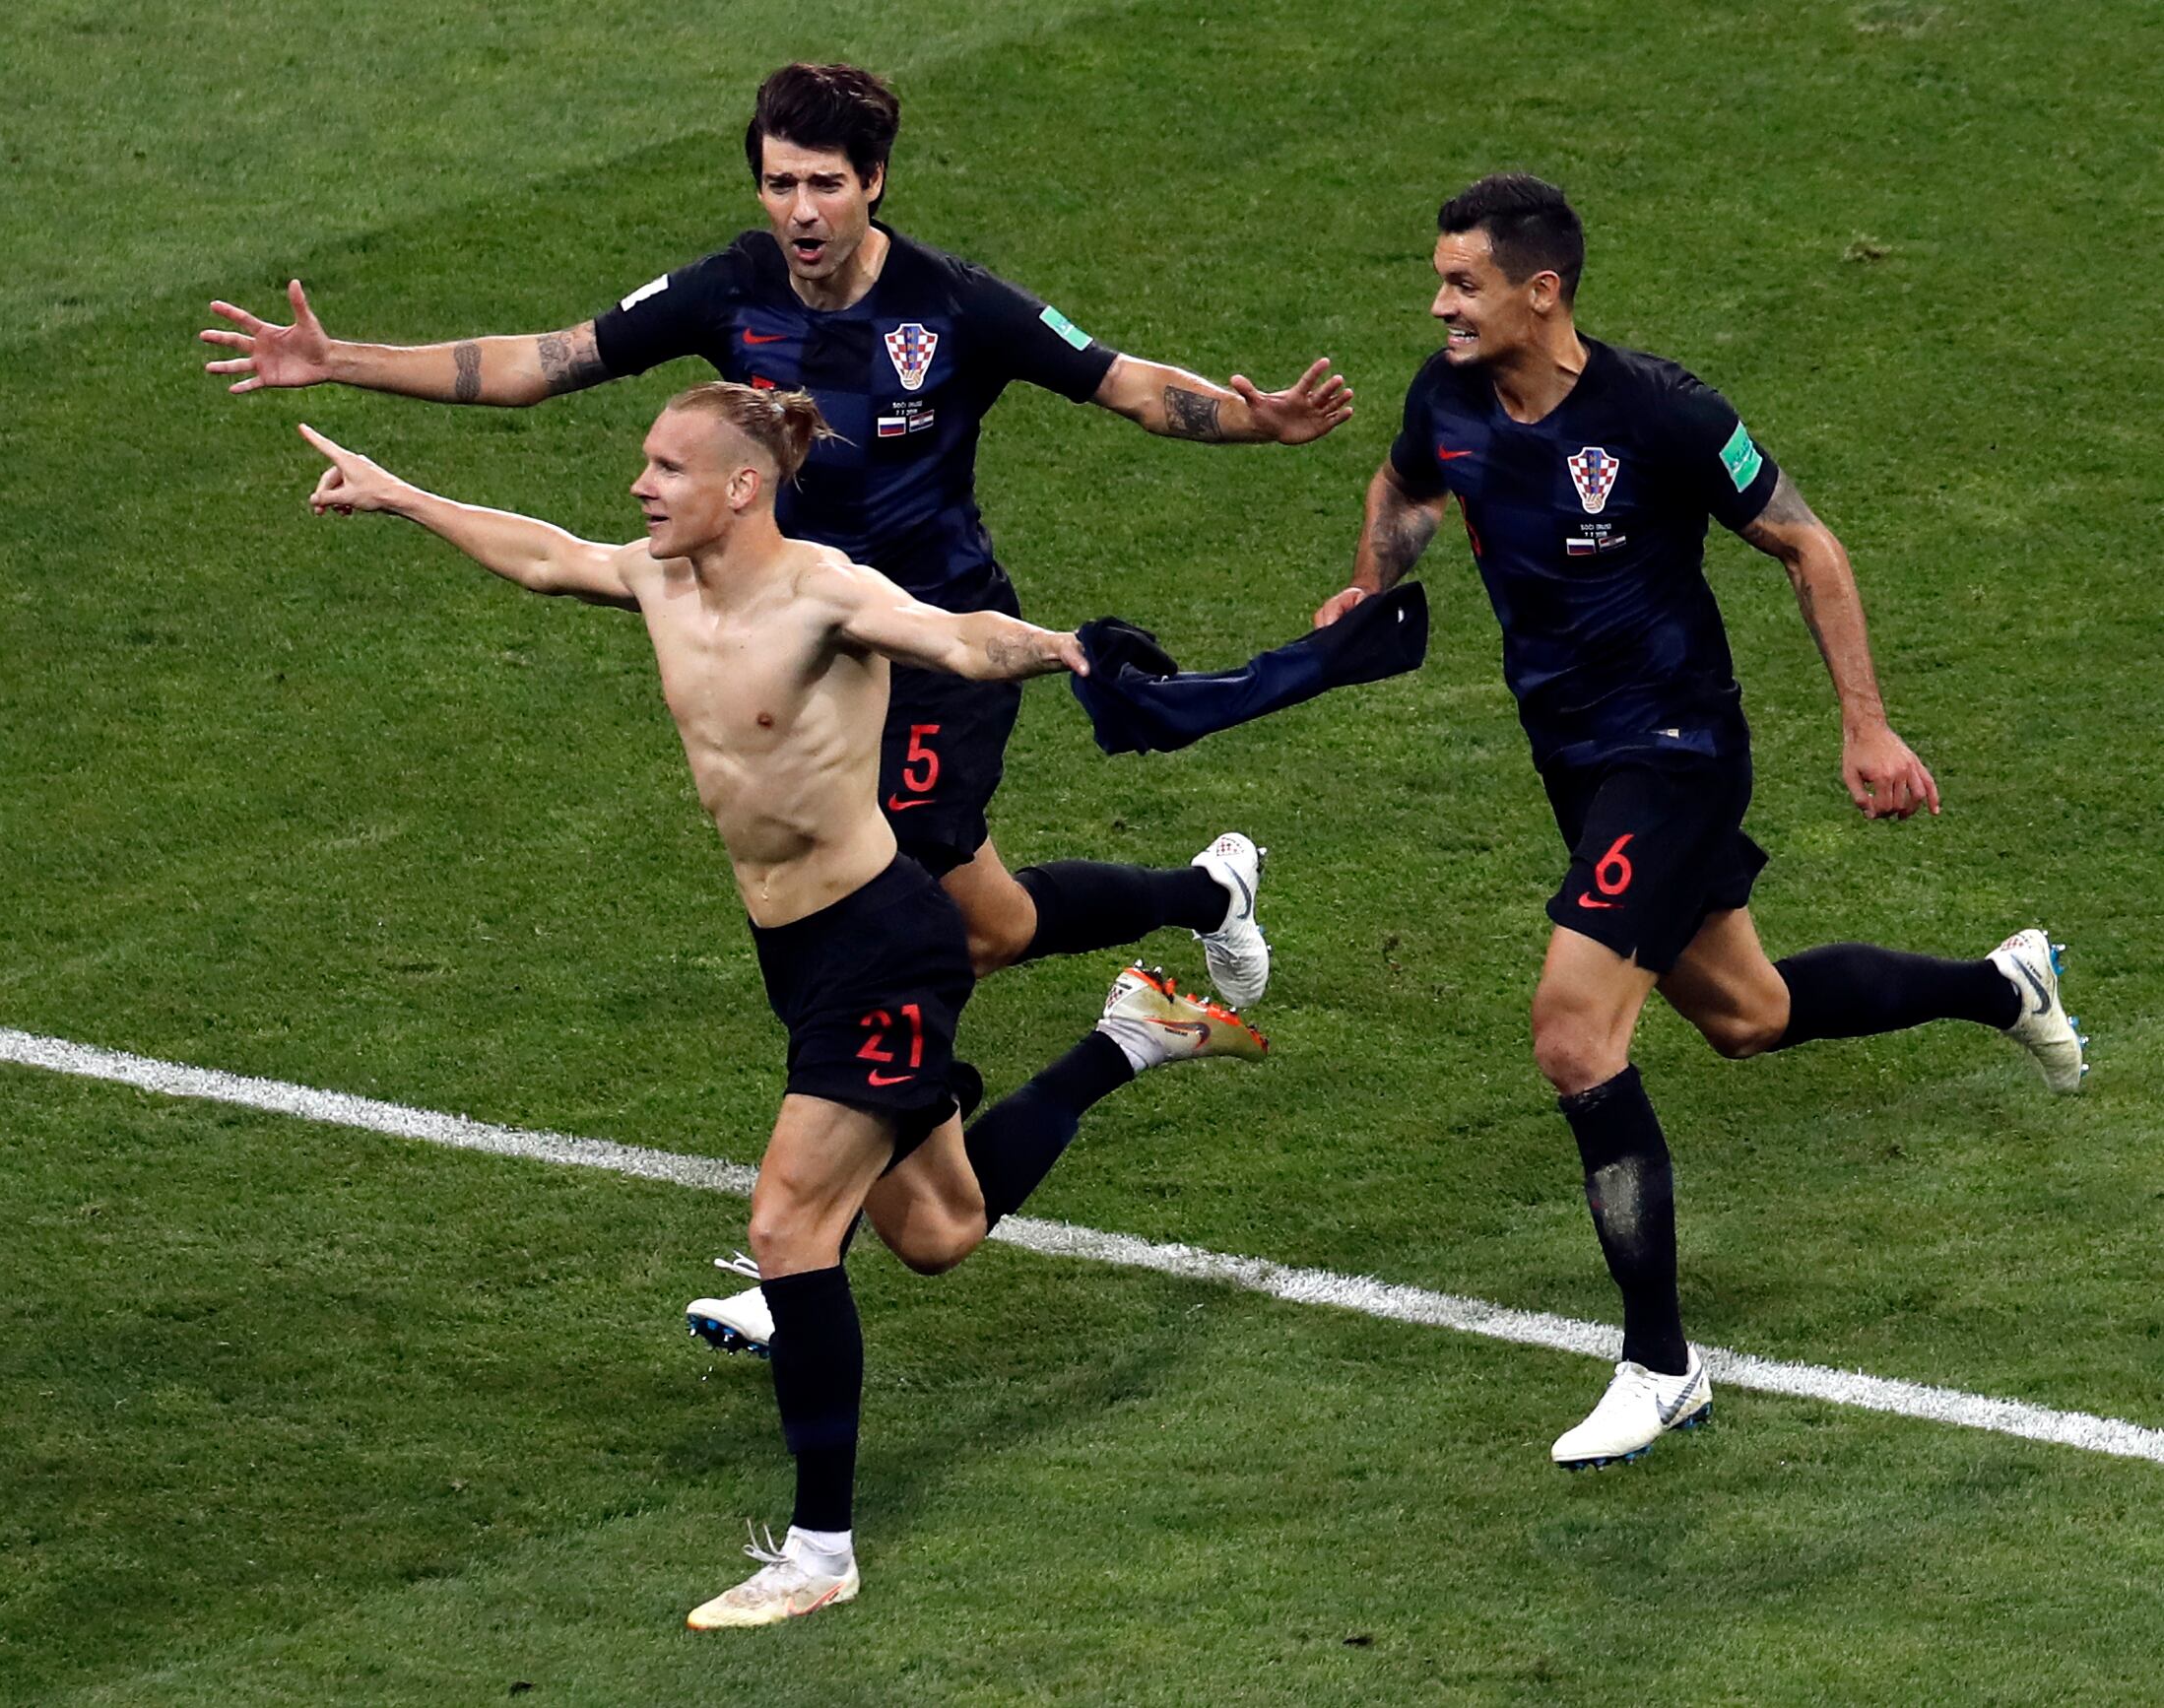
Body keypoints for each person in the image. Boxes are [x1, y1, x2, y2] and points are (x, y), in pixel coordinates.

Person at [205, 61, 1339, 1350]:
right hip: (804, 663)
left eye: (825, 184)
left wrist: (1253, 423)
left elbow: (1127, 382)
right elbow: (542, 363)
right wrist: (334, 361)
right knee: (988, 925)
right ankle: (1200, 903)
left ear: (874, 184)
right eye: (779, 182)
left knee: (908, 917)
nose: (800, 209)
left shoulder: (952, 305)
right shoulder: (729, 290)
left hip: (941, 652)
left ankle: (800, 1242)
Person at [295, 381, 1268, 1626]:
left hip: (882, 948)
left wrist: (1065, 647)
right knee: (938, 1231)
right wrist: (399, 494)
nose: (640, 486)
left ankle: (819, 1554)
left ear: (741, 487)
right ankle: (1131, 1034)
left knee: (788, 1229)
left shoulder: (822, 594)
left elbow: (955, 638)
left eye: (665, 468)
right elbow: (544, 556)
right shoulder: (659, 580)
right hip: (797, 956)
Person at [1315, 173, 2085, 1471]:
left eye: (1462, 283)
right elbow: (1405, 488)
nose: (1439, 304)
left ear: (1540, 292)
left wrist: (1865, 725)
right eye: (1439, 281)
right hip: (1571, 758)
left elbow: (1808, 545)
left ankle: (1660, 1365)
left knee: (1572, 1034)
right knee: (1747, 1013)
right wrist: (1366, 589)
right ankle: (2003, 985)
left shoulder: (1662, 412)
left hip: (1672, 754)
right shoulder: (1445, 395)